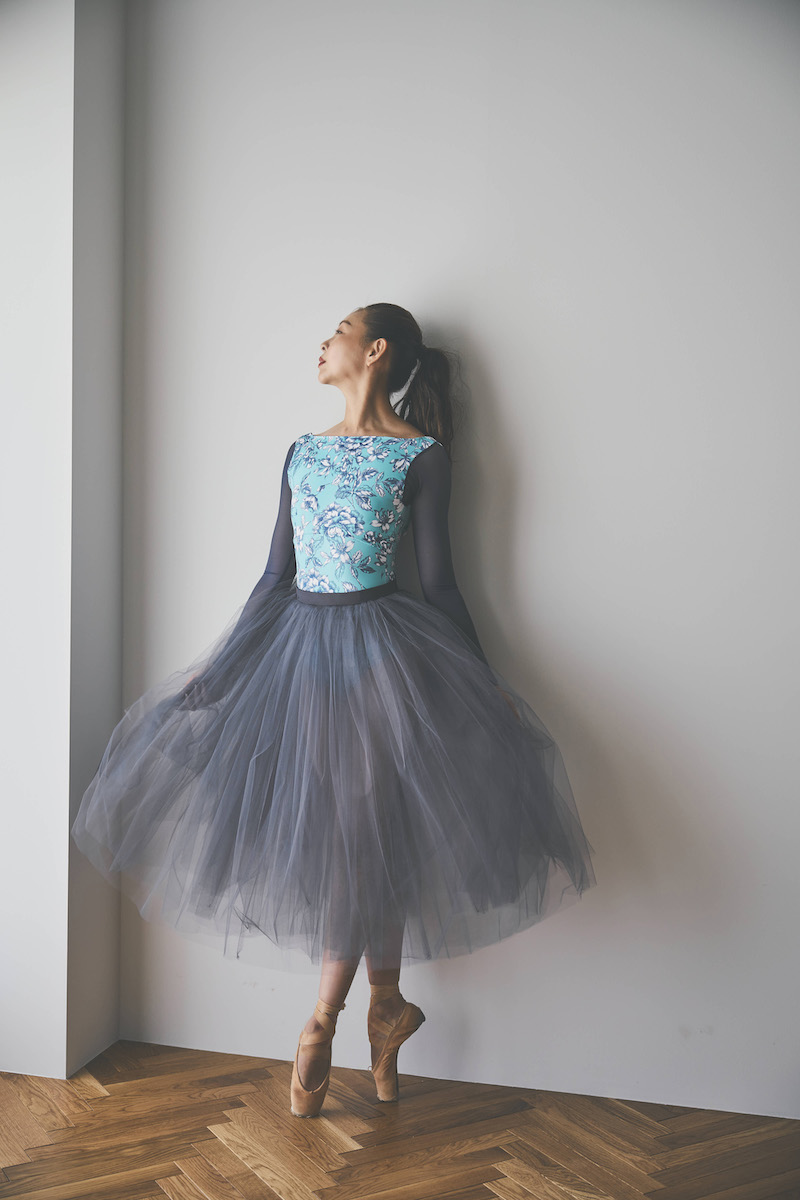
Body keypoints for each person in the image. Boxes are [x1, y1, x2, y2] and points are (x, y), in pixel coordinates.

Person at [71, 302, 596, 1119]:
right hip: (298, 656)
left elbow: (441, 583)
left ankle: (323, 1019)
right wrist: (224, 668)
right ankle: (385, 1008)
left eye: (340, 331)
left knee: (362, 836)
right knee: (362, 840)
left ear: (376, 350)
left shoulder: (422, 456)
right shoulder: (302, 451)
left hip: (386, 659)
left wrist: (482, 678)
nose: (323, 342)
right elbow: (274, 575)